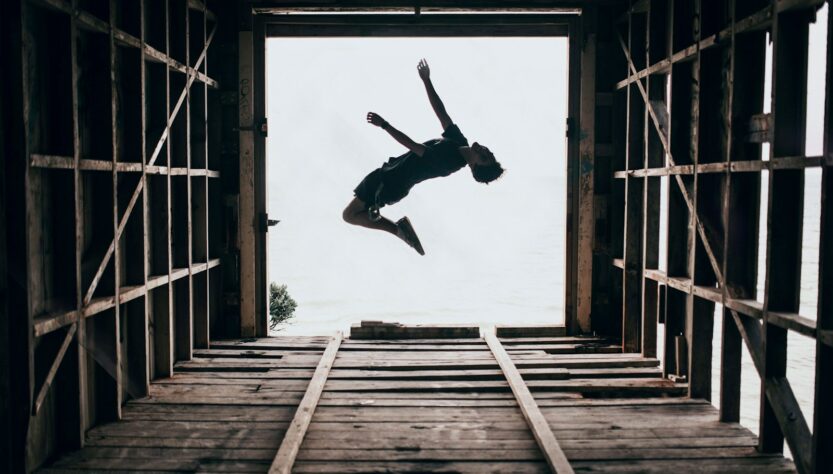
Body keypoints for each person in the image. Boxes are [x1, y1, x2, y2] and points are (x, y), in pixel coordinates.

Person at [342, 59, 504, 255]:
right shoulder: (459, 141)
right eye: (490, 153)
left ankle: (398, 230)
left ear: (476, 166)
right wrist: (427, 80)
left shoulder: (449, 162)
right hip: (389, 174)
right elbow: (441, 112)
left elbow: (412, 145)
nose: (486, 151)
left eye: (485, 158)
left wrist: (384, 124)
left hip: (389, 183)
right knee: (351, 214)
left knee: (349, 215)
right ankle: (399, 230)